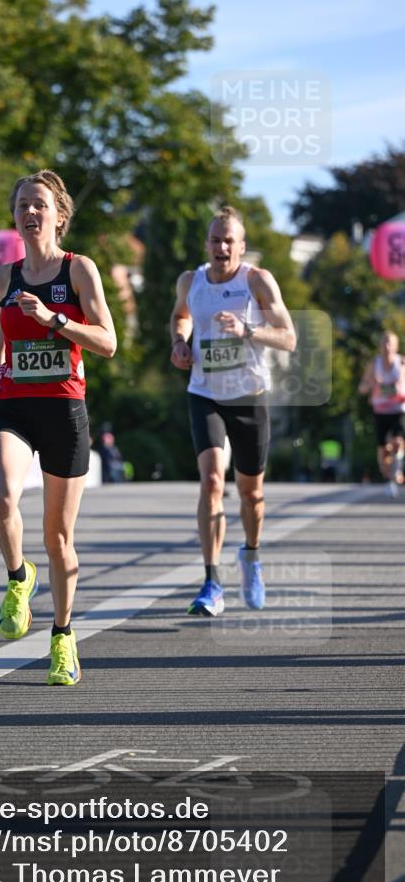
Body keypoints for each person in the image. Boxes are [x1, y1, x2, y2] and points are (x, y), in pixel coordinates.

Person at [0, 169, 117, 684]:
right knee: (0, 497)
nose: (30, 212)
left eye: (39, 204)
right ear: (15, 218)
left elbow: (107, 342)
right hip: (15, 406)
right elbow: (5, 331)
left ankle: (62, 636)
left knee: (58, 538)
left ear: (59, 216)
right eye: (22, 206)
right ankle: (19, 578)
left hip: (64, 411)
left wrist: (54, 320)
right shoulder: (4, 277)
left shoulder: (79, 270)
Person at [170, 205, 297, 616]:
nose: (222, 247)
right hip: (204, 392)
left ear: (242, 246)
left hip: (248, 396)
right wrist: (180, 342)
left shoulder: (257, 281)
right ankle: (211, 582)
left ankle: (252, 557)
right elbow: (181, 316)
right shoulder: (191, 281)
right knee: (210, 482)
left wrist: (247, 330)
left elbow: (289, 338)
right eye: (215, 240)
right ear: (206, 244)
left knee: (251, 493)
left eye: (229, 241)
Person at [358, 331, 405, 495]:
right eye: (384, 343)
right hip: (380, 411)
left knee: (398, 441)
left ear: (396, 346)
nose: (386, 347)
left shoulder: (402, 363)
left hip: (398, 409)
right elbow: (362, 388)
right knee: (384, 449)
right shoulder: (374, 364)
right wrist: (372, 383)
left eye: (390, 343)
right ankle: (388, 476)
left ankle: (398, 468)